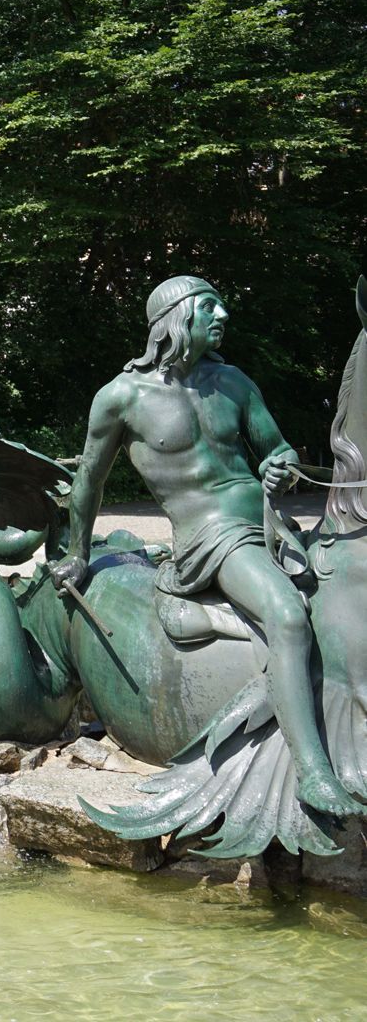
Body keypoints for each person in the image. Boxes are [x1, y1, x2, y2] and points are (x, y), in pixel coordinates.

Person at [51, 275, 364, 815]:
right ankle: (313, 773)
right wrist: (77, 552)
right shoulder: (121, 398)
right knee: (288, 615)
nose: (223, 315)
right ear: (176, 318)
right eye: (209, 306)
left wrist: (280, 466)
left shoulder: (234, 383)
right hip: (210, 540)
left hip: (268, 525)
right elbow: (89, 484)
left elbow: (276, 449)